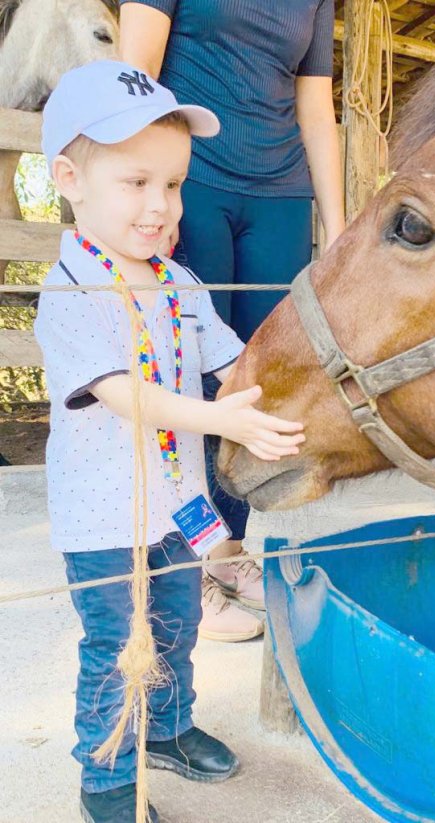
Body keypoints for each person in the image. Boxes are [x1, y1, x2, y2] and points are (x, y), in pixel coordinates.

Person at [35, 60, 305, 823]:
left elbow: (231, 360)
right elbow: (125, 395)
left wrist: (290, 388)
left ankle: (172, 725)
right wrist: (226, 421)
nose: (161, 206)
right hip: (104, 522)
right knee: (118, 648)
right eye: (137, 182)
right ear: (69, 178)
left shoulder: (180, 283)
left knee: (180, 623)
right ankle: (108, 774)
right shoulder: (70, 289)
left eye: (175, 185)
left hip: (180, 505)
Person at [118, 0, 344, 640]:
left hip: (281, 192)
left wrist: (339, 228)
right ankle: (178, 567)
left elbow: (316, 111)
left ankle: (226, 550)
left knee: (255, 379)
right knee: (183, 378)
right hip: (197, 181)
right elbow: (137, 69)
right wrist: (150, 194)